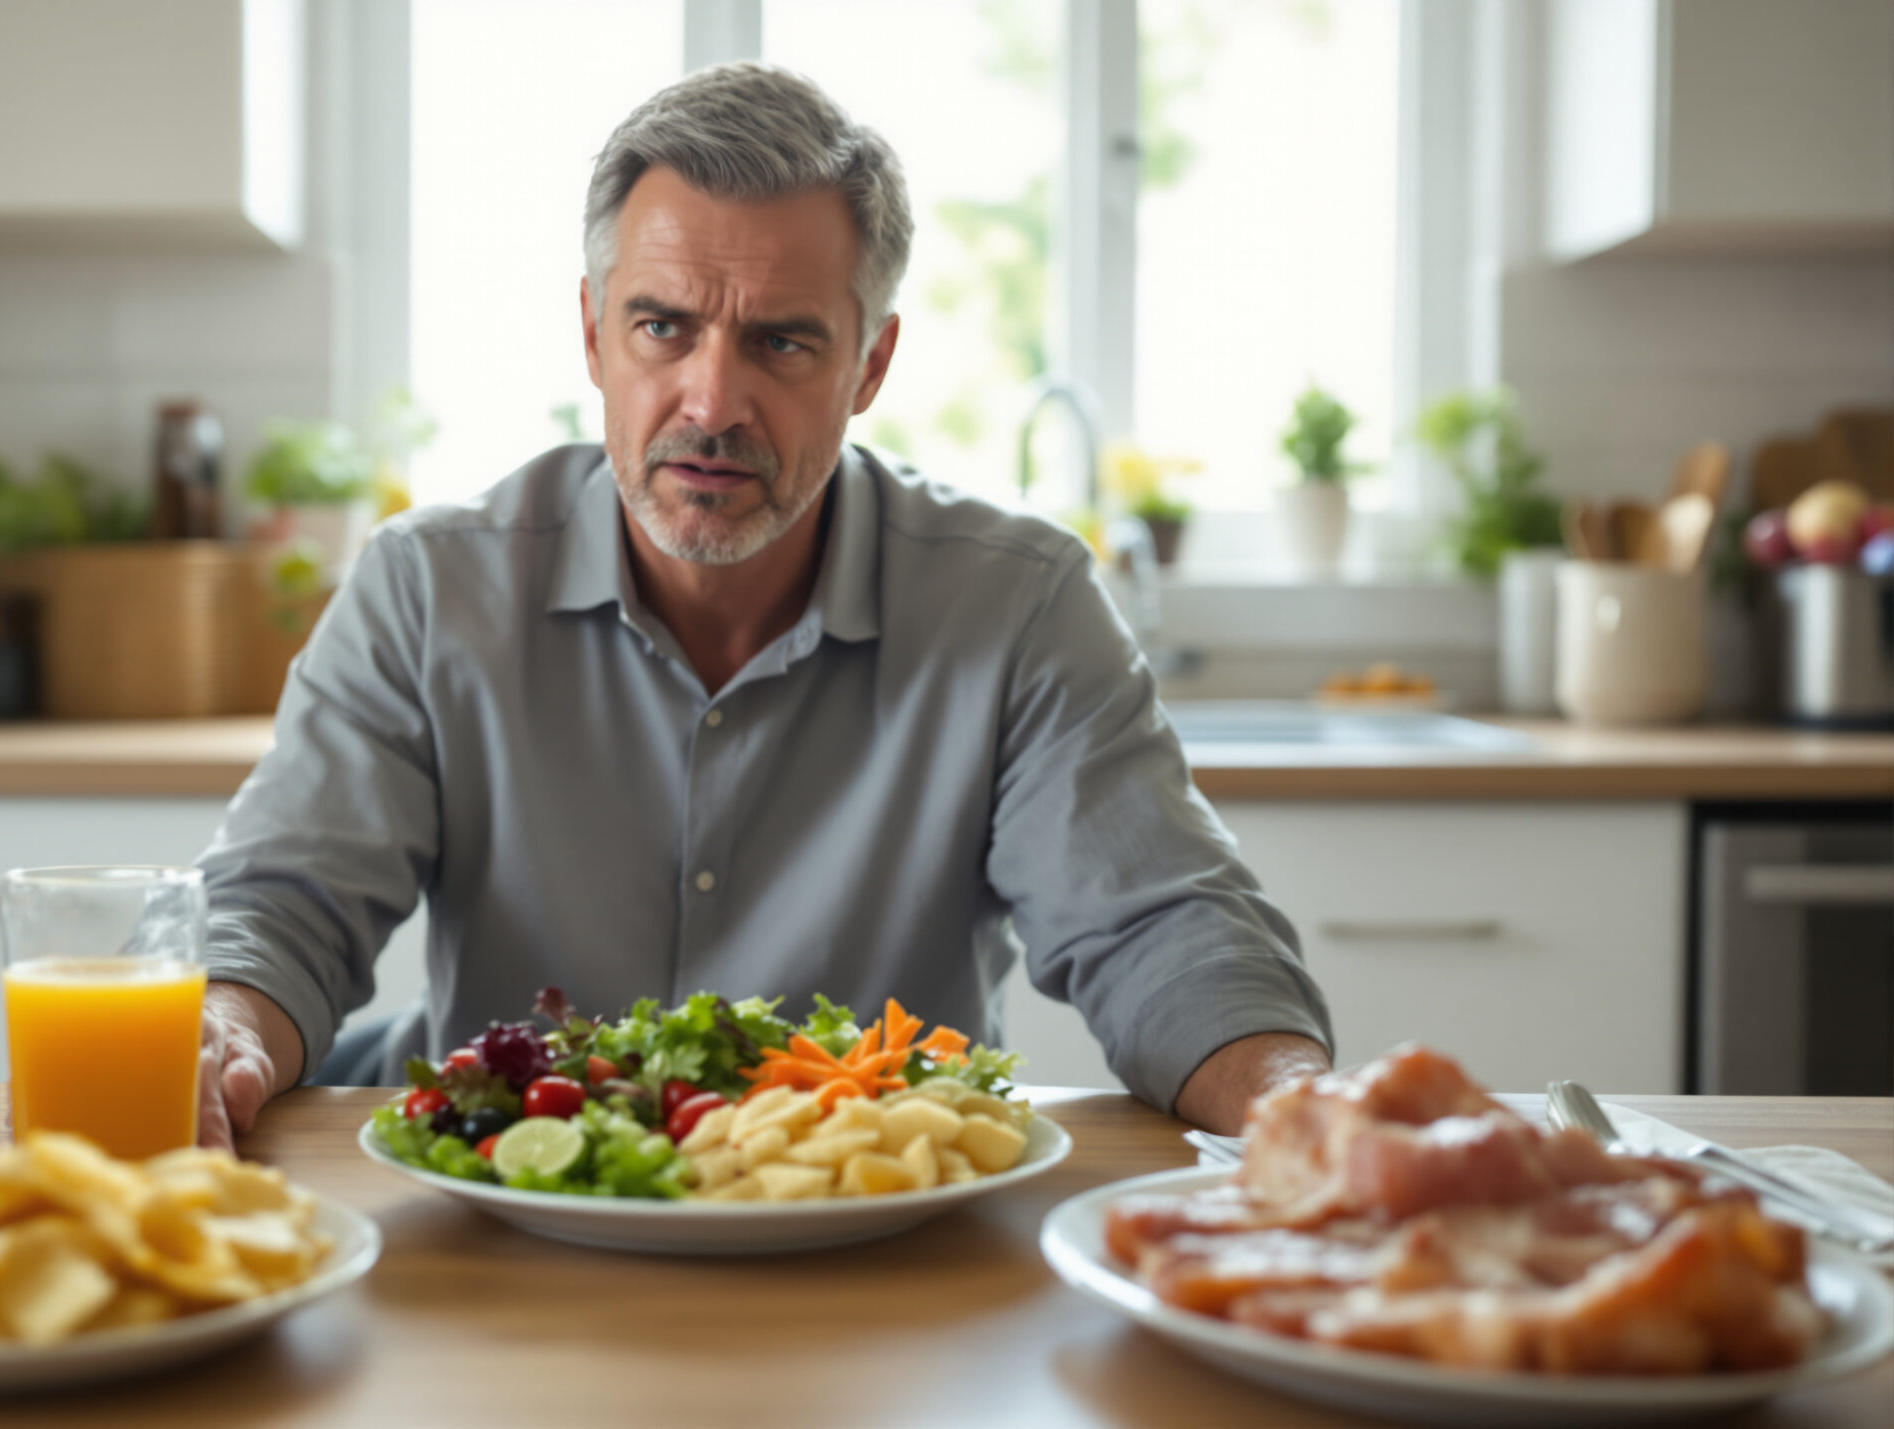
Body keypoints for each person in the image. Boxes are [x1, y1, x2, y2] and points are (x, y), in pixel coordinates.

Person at [194, 62, 1330, 1148]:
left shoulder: (1019, 602)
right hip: (508, 1215)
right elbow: (288, 902)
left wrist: (1297, 1105)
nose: (713, 400)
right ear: (593, 335)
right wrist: (220, 1033)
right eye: (662, 327)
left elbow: (1157, 927)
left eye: (781, 342)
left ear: (869, 368)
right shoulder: (426, 588)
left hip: (887, 1246)